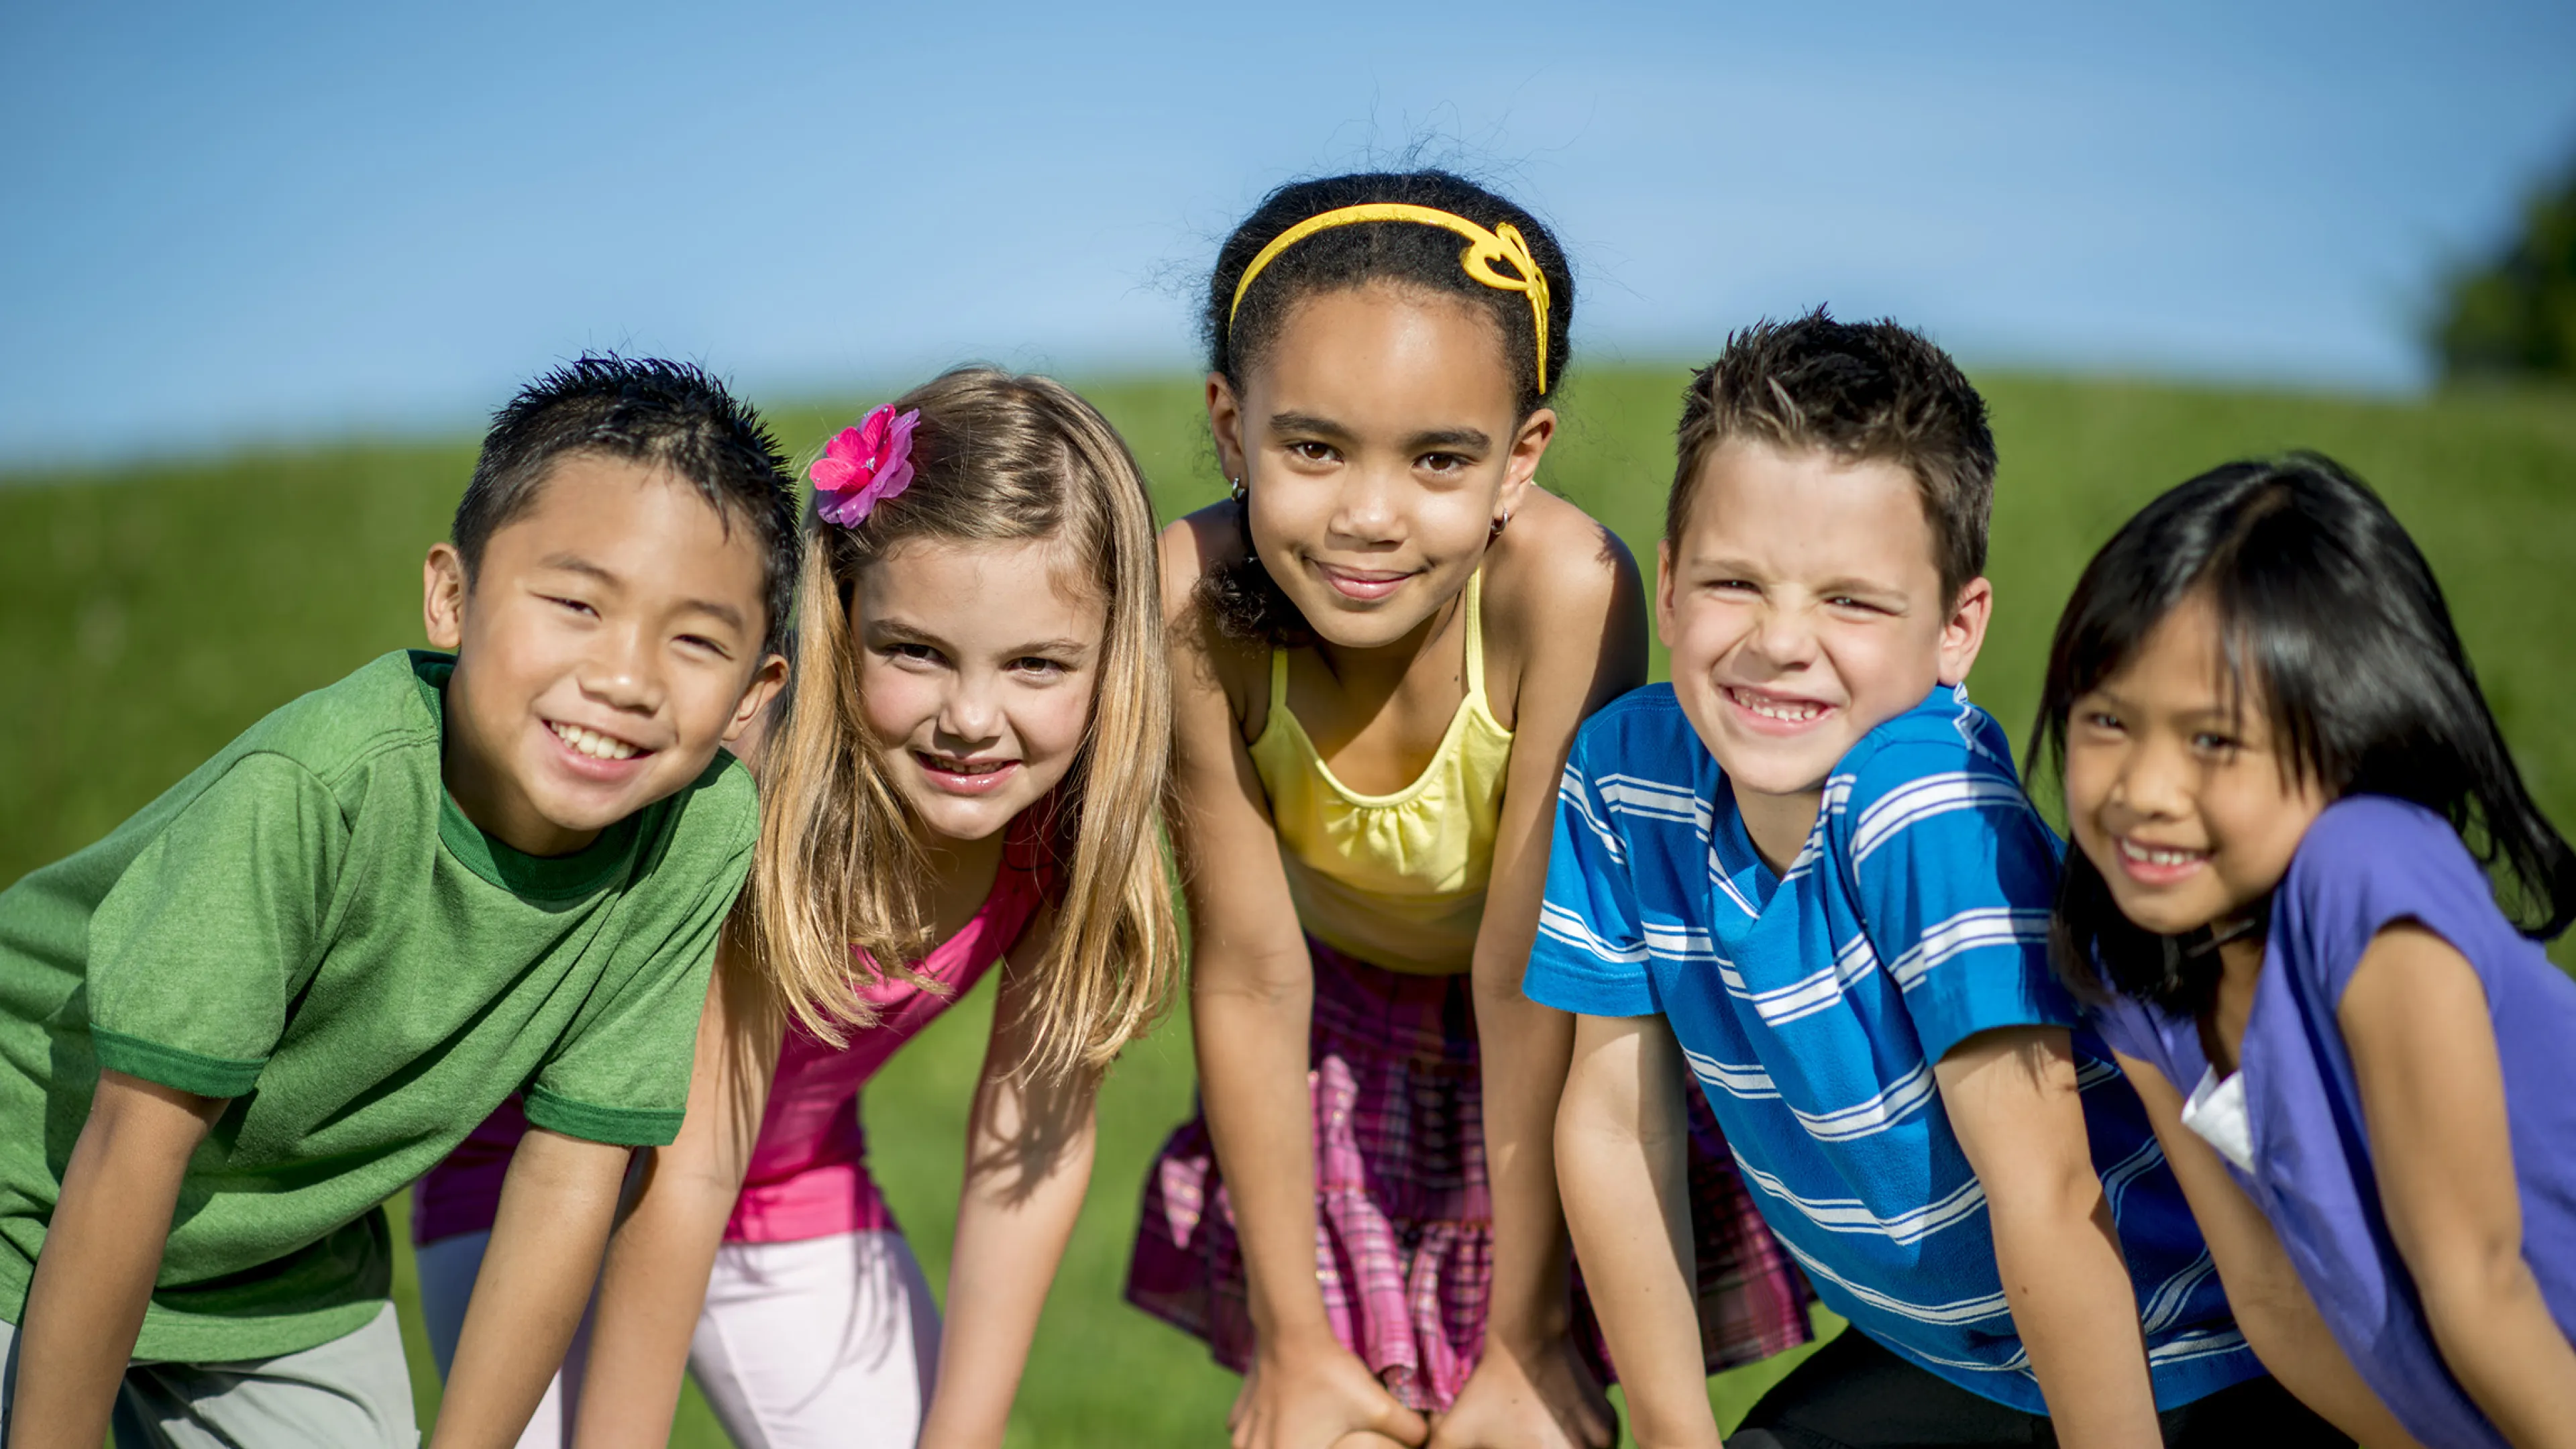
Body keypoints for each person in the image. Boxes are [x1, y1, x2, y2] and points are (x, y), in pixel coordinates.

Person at [1534, 313, 2345, 1448]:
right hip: (1943, 1352)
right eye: (1734, 582)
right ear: (1668, 585)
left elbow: (2049, 1197)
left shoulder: (1926, 806)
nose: (1780, 640)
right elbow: (1616, 1127)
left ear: (1957, 629)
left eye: (1851, 600)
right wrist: (1676, 1431)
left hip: (2167, 1354)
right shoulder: (1626, 775)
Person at [1125, 170, 1811, 1449]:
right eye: (1313, 448)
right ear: (1230, 426)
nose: (1370, 516)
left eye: (1440, 458)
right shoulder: (1186, 598)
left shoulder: (1568, 588)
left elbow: (1524, 970)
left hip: (1559, 1045)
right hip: (1330, 1057)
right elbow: (1252, 973)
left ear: (1521, 457)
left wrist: (1526, 1337)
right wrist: (1290, 1342)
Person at [0, 356, 795, 1448]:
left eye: (696, 640)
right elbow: (133, 1144)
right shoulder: (317, 788)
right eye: (576, 604)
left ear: (754, 692)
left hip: (282, 1272)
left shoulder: (697, 830)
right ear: (452, 598)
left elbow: (569, 1174)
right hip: (34, 1195)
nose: (626, 678)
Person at [411, 368, 1181, 1448]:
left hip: (792, 1186)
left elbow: (1035, 1135)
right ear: (842, 611)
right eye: (916, 651)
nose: (973, 717)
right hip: (540, 1180)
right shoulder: (762, 806)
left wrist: (962, 1436)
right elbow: (687, 1167)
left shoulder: (1067, 825)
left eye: (1037, 665)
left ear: (1115, 659)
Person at [2032, 453, 2576, 1449]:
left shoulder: (2364, 872)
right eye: (2108, 720)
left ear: (2345, 736)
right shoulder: (2132, 956)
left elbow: (2483, 1286)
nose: (2144, 789)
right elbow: (2273, 1297)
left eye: (2213, 740)